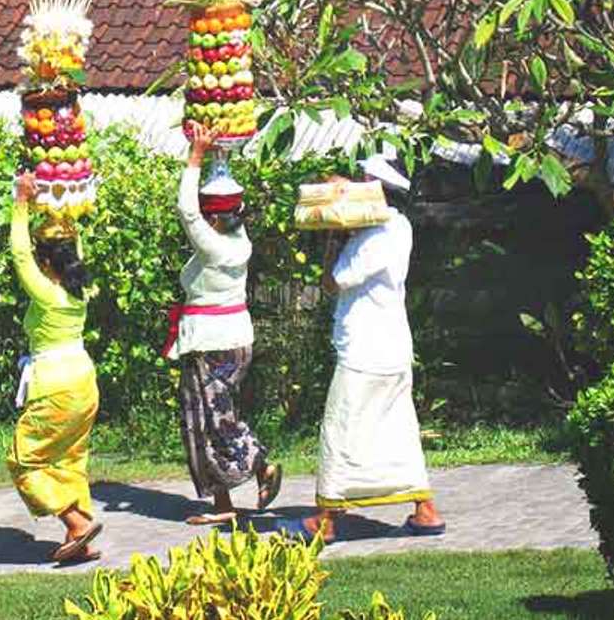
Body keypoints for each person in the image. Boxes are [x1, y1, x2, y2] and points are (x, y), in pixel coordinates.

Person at [281, 154, 445, 544]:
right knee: (399, 427)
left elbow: (334, 281)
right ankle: (425, 510)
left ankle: (326, 518)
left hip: (365, 349)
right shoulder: (400, 225)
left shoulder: (373, 237)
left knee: (342, 427)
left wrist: (334, 238)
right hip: (393, 347)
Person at [165, 123, 281, 525]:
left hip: (210, 342)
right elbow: (217, 200)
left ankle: (260, 464)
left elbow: (186, 210)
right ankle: (222, 506)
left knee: (212, 421)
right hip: (233, 339)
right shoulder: (240, 239)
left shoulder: (213, 245)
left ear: (213, 220)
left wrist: (195, 157)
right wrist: (219, 156)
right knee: (210, 420)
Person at [5, 171, 103, 564]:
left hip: (55, 388)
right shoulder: (82, 289)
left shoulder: (47, 293)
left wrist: (21, 201)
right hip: (85, 384)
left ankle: (76, 522)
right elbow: (71, 249)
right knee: (70, 460)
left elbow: (18, 255)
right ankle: (79, 536)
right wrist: (65, 205)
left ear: (46, 261)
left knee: (24, 461)